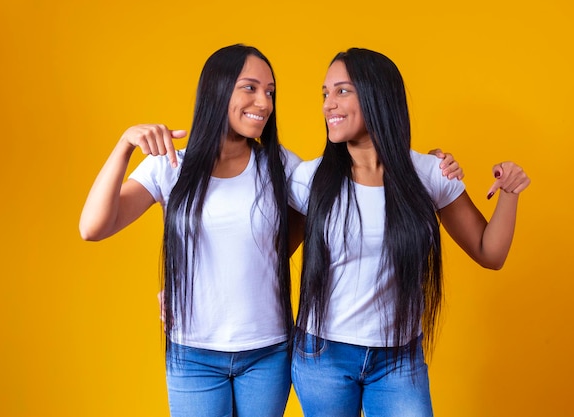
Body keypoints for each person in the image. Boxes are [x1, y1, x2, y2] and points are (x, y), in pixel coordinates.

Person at [79, 43, 463, 417]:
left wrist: (425, 167)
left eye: (270, 92)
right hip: (192, 353)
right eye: (250, 88)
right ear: (216, 89)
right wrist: (125, 145)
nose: (264, 102)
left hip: (268, 351)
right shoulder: (169, 167)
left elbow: (317, 222)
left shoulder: (279, 166)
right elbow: (94, 227)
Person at [288, 48, 530, 417]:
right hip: (324, 356)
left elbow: (489, 252)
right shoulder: (311, 179)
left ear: (377, 95)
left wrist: (509, 193)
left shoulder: (430, 173)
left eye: (341, 91)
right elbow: (263, 258)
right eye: (325, 93)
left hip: (399, 360)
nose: (328, 105)